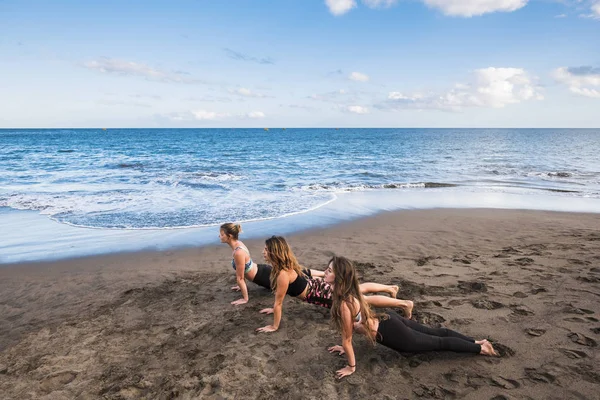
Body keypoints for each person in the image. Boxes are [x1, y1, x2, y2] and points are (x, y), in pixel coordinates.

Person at [325, 256, 497, 379]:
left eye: (329, 270)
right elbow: (356, 323)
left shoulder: (343, 303)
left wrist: (351, 367)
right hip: (388, 319)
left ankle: (481, 349)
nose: (325, 272)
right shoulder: (349, 292)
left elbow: (347, 339)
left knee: (439, 342)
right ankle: (476, 342)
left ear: (339, 277)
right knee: (438, 332)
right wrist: (345, 345)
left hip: (394, 334)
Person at [256, 236, 414, 333]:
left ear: (274, 252)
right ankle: (390, 288)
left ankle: (404, 304)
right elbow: (281, 298)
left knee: (361, 300)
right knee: (359, 289)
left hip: (319, 293)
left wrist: (274, 326)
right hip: (318, 287)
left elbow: (278, 303)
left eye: (266, 249)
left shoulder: (282, 274)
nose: (263, 252)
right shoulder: (286, 265)